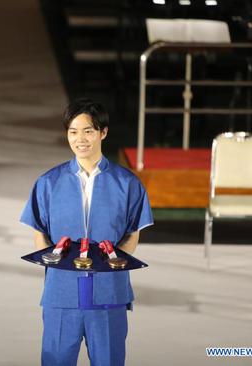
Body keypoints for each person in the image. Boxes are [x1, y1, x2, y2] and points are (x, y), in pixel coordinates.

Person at [20, 98, 153, 366]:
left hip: (109, 293)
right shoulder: (48, 183)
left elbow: (132, 234)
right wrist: (54, 262)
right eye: (73, 131)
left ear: (103, 132)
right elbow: (39, 233)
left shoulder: (127, 183)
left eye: (88, 131)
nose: (80, 139)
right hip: (61, 293)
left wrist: (112, 266)